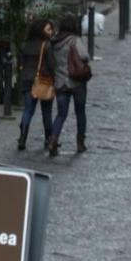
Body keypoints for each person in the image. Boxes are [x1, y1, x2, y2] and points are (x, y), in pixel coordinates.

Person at [49, 13, 91, 155]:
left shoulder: (54, 42)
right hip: (77, 82)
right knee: (80, 112)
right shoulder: (74, 40)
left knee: (61, 114)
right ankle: (80, 143)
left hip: (60, 82)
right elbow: (85, 56)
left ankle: (53, 140)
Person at [17, 18, 56, 153]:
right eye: (48, 29)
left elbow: (20, 63)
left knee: (28, 110)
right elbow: (51, 65)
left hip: (27, 80)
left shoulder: (25, 45)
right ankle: (48, 138)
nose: (51, 32)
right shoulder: (46, 45)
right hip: (43, 81)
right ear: (41, 31)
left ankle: (22, 138)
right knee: (47, 111)